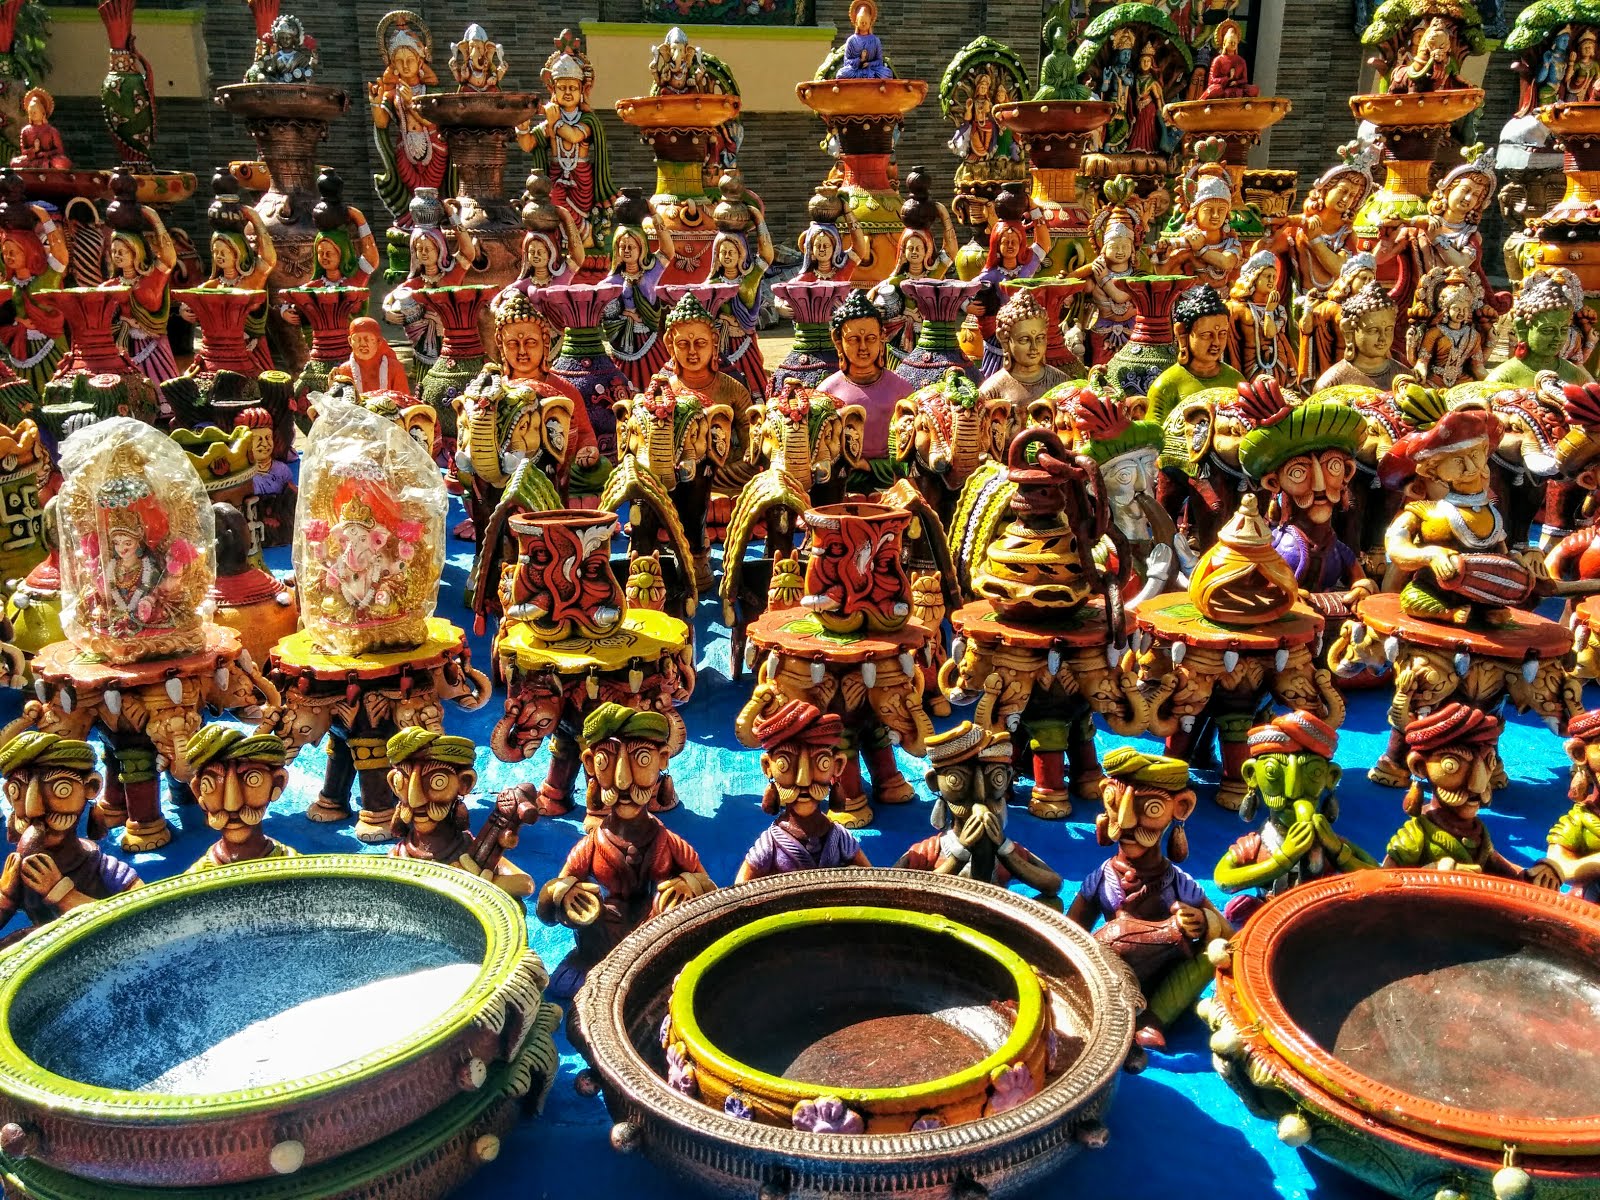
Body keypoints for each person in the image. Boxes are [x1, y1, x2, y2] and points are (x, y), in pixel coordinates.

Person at [536, 704, 713, 999]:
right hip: (606, 936)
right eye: (607, 761)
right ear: (590, 764)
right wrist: (563, 895)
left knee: (669, 906)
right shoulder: (592, 844)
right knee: (590, 908)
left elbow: (710, 890)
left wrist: (689, 886)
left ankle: (655, 971)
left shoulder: (669, 842)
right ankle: (592, 965)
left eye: (641, 760)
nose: (622, 781)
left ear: (662, 760)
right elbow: (547, 911)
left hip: (655, 933)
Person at [1068, 747, 1230, 1050]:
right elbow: (1070, 930)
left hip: (1163, 982)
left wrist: (1205, 921)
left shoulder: (1179, 883)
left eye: (1151, 809)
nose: (1127, 822)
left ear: (1180, 808)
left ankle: (1154, 1017)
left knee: (1215, 951)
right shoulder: (1101, 878)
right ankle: (1116, 1010)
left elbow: (1230, 936)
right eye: (1116, 803)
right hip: (1112, 977)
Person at [1384, 704, 1562, 886]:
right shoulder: (1417, 834)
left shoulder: (1477, 831)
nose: (1477, 785)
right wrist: (1436, 871)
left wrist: (1532, 876)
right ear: (1420, 766)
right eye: (1452, 765)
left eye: (1488, 762)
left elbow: (1501, 868)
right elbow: (1387, 880)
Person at [0, 734, 138, 936]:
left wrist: (62, 894)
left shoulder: (103, 868)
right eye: (17, 790)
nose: (34, 810)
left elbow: (142, 919)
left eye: (60, 789)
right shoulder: (19, 874)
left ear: (91, 787)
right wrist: (5, 897)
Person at [736, 700, 870, 882]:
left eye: (820, 763)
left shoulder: (839, 837)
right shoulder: (771, 843)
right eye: (785, 763)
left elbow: (872, 879)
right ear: (768, 767)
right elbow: (741, 887)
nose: (803, 780)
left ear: (837, 765)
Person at [817, 288, 915, 492]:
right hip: (841, 483)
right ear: (838, 341)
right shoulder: (827, 392)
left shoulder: (902, 390)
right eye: (853, 339)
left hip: (892, 484)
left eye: (870, 338)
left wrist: (870, 466)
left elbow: (912, 458)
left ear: (882, 337)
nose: (863, 347)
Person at [185, 727, 295, 870]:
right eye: (211, 785)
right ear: (198, 792)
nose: (232, 805)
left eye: (253, 780)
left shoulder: (294, 868)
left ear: (277, 783)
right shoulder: (197, 879)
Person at [1147, 283, 1242, 424]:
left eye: (1222, 334)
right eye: (1206, 335)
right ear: (1183, 335)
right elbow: (1154, 437)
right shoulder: (1166, 386)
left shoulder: (1235, 380)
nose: (1216, 342)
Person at [837, 0, 892, 79]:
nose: (864, 24)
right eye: (861, 21)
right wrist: (860, 60)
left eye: (866, 22)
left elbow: (879, 61)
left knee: (887, 73)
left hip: (872, 70)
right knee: (841, 73)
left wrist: (869, 64)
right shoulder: (851, 40)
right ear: (856, 22)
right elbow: (846, 62)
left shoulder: (875, 40)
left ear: (870, 22)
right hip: (855, 70)